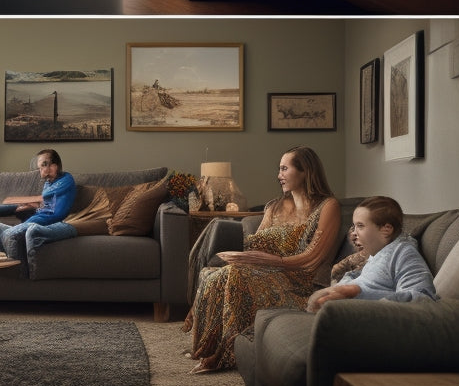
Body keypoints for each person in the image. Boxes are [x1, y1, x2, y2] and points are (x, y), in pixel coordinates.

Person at [183, 146, 341, 373]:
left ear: (305, 171)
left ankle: (227, 353)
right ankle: (207, 347)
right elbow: (255, 246)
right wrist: (243, 258)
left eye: (285, 169)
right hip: (265, 273)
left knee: (235, 274)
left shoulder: (328, 206)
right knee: (211, 272)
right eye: (279, 169)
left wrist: (272, 261)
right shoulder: (273, 207)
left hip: (300, 283)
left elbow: (312, 258)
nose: (279, 175)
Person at [0, 149, 77, 276]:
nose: (41, 172)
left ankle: (15, 272)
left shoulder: (67, 179)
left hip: (45, 221)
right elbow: (46, 204)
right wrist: (30, 206)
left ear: (54, 165)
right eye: (40, 168)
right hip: (35, 216)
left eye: (42, 166)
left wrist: (23, 203)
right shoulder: (48, 183)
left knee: (7, 234)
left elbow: (46, 197)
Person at [307, 196, 437, 312]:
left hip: (371, 314)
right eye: (354, 226)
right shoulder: (377, 254)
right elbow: (372, 281)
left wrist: (360, 296)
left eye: (360, 226)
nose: (353, 233)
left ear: (386, 230)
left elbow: (421, 297)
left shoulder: (403, 253)